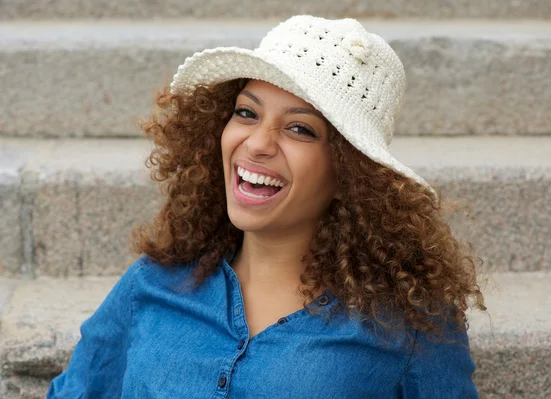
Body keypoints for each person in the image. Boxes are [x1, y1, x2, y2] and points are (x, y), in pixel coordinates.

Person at [47, 15, 487, 398]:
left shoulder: (409, 323)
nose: (256, 144)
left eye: (299, 128)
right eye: (246, 113)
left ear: (349, 174)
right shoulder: (154, 282)